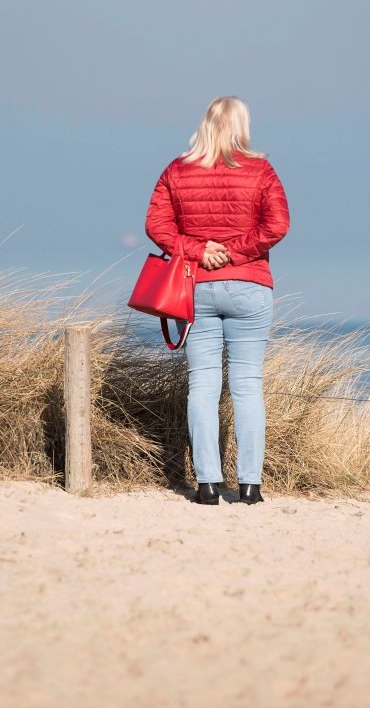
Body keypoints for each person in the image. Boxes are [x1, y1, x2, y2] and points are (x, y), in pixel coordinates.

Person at [144, 97, 290, 506]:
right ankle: (250, 487)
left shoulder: (177, 169)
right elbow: (277, 225)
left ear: (205, 123)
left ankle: (206, 485)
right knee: (247, 387)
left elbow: (156, 224)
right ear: (242, 126)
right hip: (249, 286)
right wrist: (237, 251)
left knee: (202, 387)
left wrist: (198, 250)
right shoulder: (261, 170)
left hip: (196, 287)